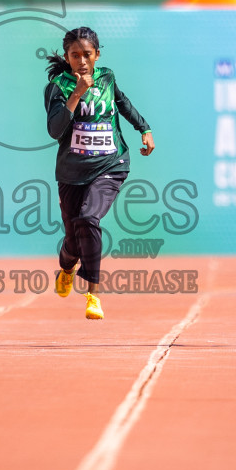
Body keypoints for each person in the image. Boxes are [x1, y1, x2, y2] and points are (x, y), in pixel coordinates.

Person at [44, 26, 154, 321]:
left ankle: (93, 294)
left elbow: (123, 103)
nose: (81, 60)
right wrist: (77, 93)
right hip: (71, 172)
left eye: (87, 54)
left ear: (97, 55)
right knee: (72, 241)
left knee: (89, 218)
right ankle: (67, 267)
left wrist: (144, 128)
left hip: (110, 164)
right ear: (67, 58)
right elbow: (55, 130)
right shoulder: (58, 87)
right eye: (75, 55)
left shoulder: (107, 77)